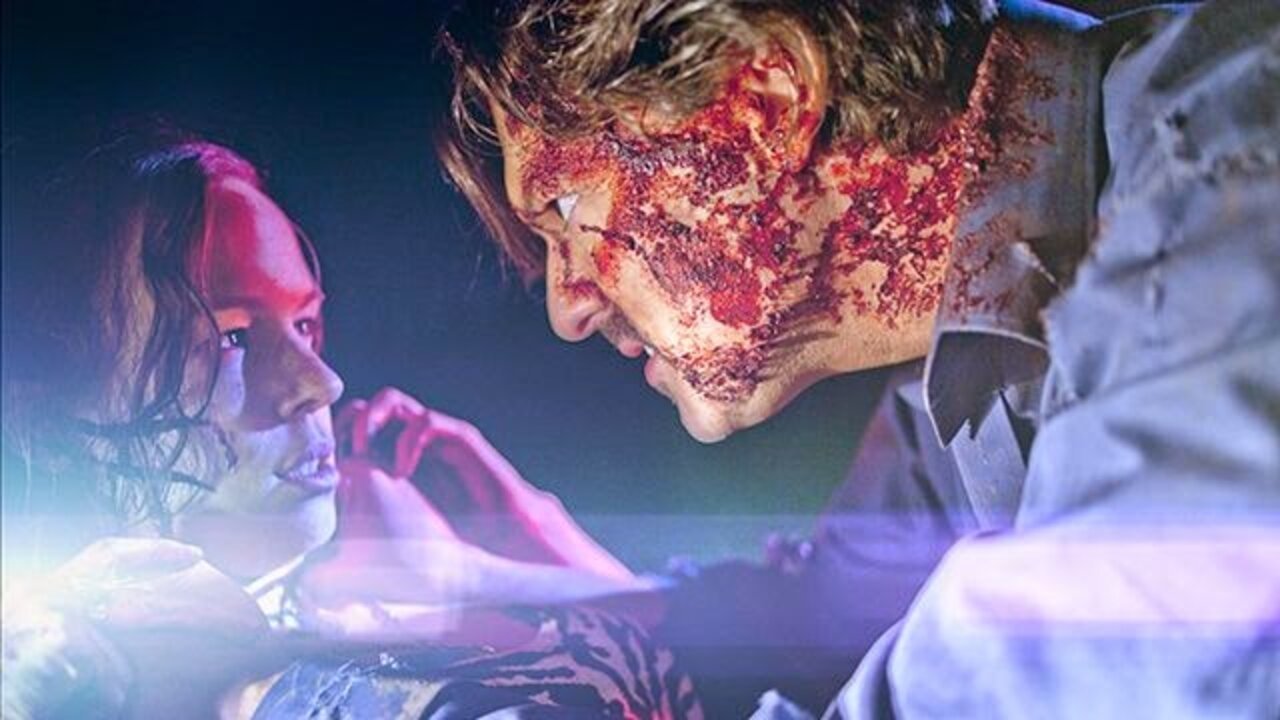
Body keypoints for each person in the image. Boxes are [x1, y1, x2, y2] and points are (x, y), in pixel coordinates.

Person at [433, 0, 1280, 716]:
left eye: (567, 203)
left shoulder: (1233, 186)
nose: (567, 307)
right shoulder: (981, 335)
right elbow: (824, 611)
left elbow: (1110, 657)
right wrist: (499, 592)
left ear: (765, 104)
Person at [0, 132, 700, 719]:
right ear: (44, 419)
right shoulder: (46, 679)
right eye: (231, 339)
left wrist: (502, 549)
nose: (321, 383)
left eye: (305, 324)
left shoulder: (367, 625)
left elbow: (734, 659)